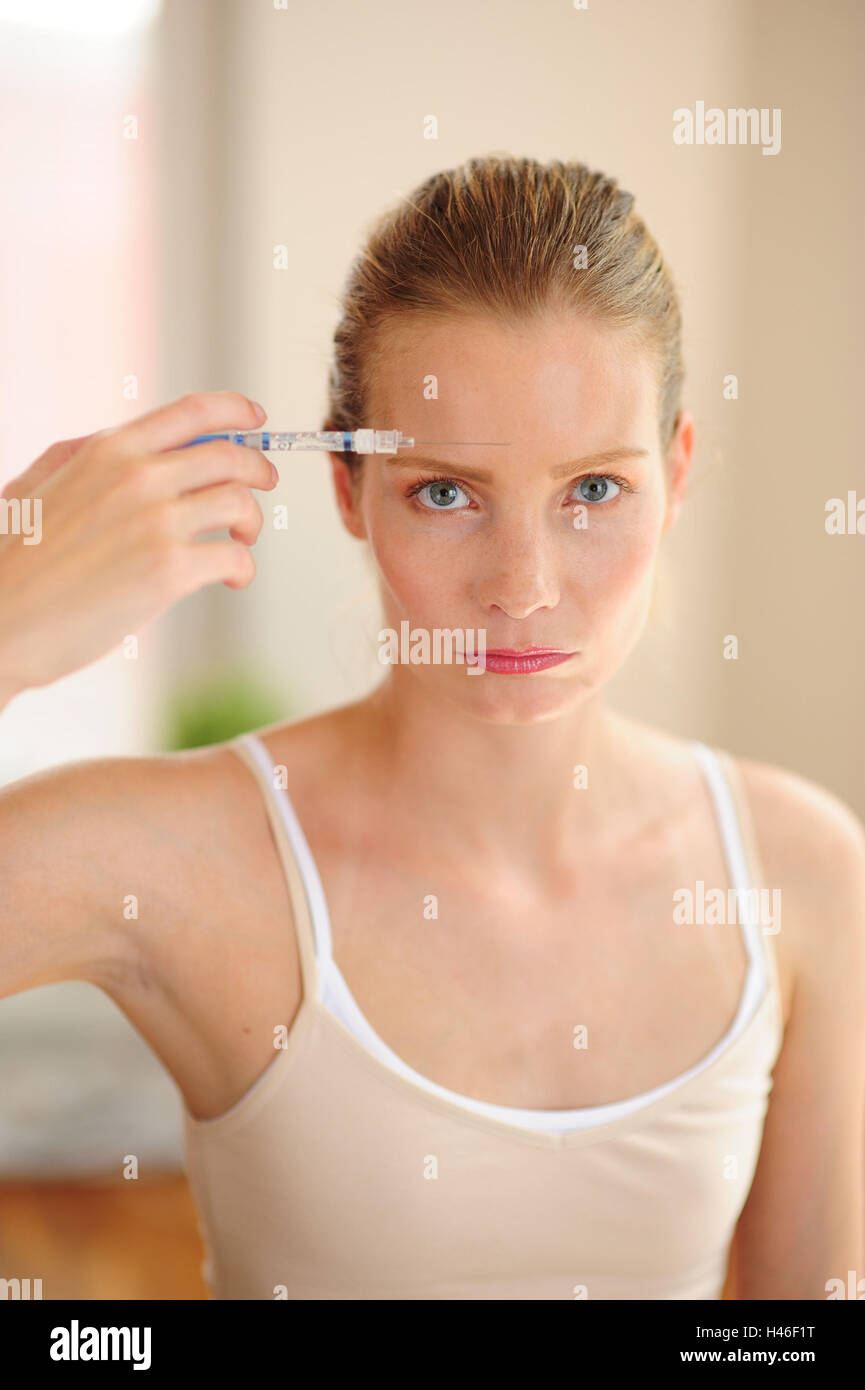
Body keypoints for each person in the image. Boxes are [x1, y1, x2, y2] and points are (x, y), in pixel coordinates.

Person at [1, 155, 863, 1301]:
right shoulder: (177, 858)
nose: (521, 587)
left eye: (593, 490)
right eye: (444, 492)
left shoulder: (796, 867)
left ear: (677, 469)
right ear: (351, 491)